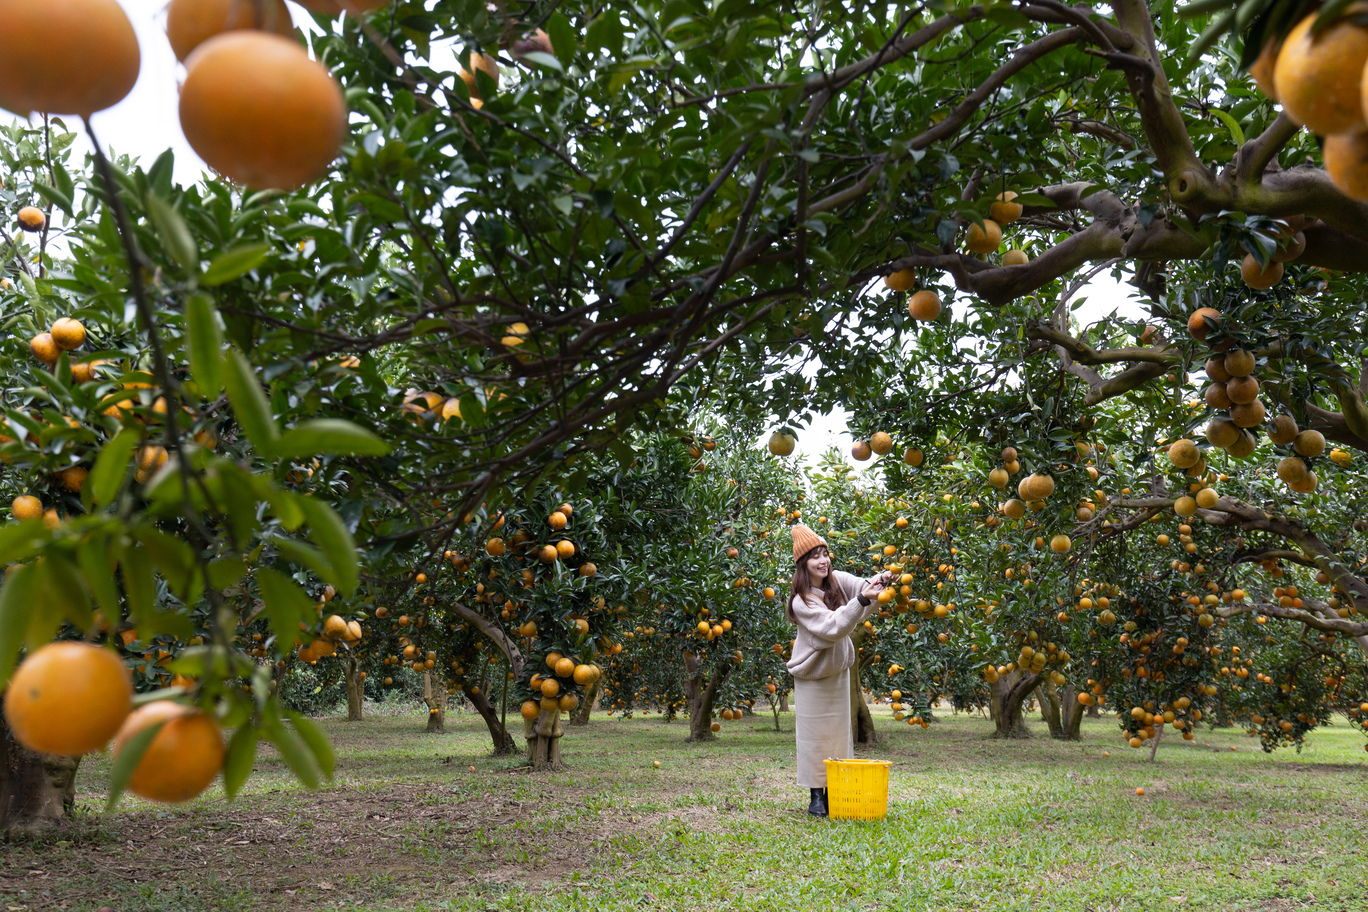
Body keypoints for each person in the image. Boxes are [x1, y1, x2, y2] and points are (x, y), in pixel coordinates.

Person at [786, 523, 890, 817]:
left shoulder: (837, 582)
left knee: (838, 734)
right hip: (811, 675)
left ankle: (835, 788)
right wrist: (860, 600)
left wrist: (881, 580)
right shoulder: (802, 600)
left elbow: (863, 588)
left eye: (825, 554)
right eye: (815, 556)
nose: (823, 561)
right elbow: (833, 627)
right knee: (813, 736)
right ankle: (815, 794)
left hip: (838, 672)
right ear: (803, 564)